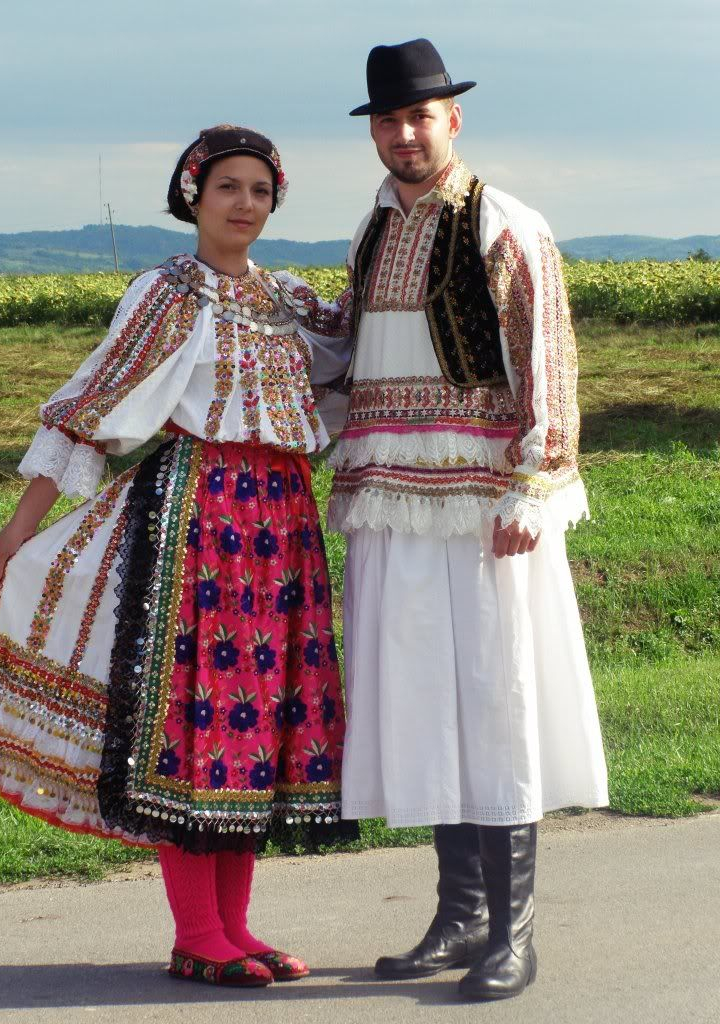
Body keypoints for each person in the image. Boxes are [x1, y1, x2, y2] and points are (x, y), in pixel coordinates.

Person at [0, 125, 355, 988]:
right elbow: (92, 407)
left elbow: (363, 348)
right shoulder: (169, 292)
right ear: (192, 196)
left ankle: (235, 928)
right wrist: (20, 527)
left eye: (260, 190)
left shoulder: (288, 298)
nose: (245, 204)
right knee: (196, 720)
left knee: (258, 720)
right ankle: (198, 933)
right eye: (228, 188)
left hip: (284, 524)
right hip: (201, 518)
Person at [285, 39, 609, 1002]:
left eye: (419, 116)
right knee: (425, 703)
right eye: (388, 119)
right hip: (390, 502)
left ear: (452, 120)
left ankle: (513, 932)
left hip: (482, 507)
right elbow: (352, 350)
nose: (403, 133)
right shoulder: (372, 228)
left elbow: (547, 358)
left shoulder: (502, 223)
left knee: (494, 703)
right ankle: (459, 914)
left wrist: (534, 485)